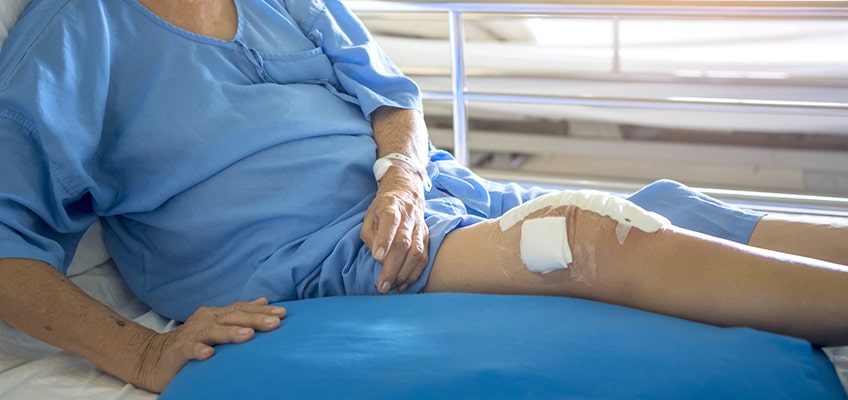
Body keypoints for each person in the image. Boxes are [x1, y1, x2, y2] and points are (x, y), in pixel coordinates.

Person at [0, 0, 846, 394]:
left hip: (421, 198)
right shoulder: (73, 36)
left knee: (668, 212)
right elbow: (7, 244)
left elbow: (393, 102)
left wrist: (402, 176)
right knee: (582, 239)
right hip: (315, 259)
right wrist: (140, 355)